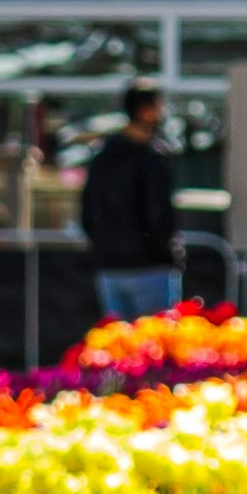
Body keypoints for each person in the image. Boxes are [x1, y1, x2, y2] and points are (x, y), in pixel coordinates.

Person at [79, 85, 180, 324]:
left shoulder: (102, 157)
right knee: (155, 350)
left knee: (117, 350)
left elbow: (87, 212)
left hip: (109, 268)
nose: (162, 113)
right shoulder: (153, 158)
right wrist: (165, 251)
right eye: (159, 107)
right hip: (149, 269)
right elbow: (159, 215)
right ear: (146, 111)